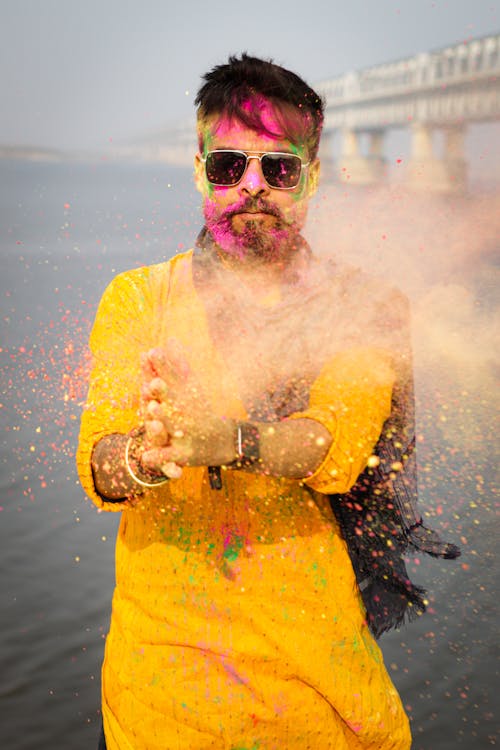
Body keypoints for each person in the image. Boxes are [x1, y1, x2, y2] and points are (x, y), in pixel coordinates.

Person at [77, 54, 458, 750]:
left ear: (311, 179)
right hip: (159, 706)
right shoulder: (138, 298)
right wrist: (146, 455)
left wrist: (223, 441)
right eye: (228, 166)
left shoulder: (364, 305)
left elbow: (334, 448)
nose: (253, 187)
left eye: (279, 169)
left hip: (317, 705)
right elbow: (99, 465)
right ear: (198, 172)